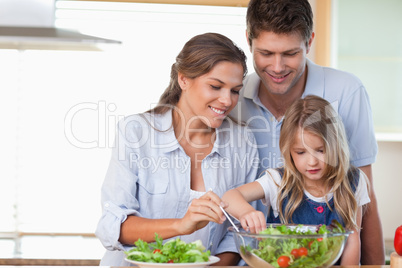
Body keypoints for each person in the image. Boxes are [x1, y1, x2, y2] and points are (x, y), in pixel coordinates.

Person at [229, 0, 384, 264]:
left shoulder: (347, 92)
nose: (277, 67)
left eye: (290, 53)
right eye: (266, 53)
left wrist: (375, 265)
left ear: (309, 42)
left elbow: (363, 199)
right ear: (249, 40)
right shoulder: (231, 96)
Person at [95, 32, 259, 266]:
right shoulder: (136, 133)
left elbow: (240, 233)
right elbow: (112, 226)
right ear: (184, 79)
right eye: (215, 86)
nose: (227, 101)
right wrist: (181, 225)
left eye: (234, 91)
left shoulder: (243, 143)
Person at [224, 95, 370, 265]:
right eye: (301, 152)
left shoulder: (354, 181)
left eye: (320, 150)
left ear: (336, 144)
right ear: (289, 151)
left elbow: (352, 238)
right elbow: (229, 197)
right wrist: (245, 212)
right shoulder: (278, 180)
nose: (312, 161)